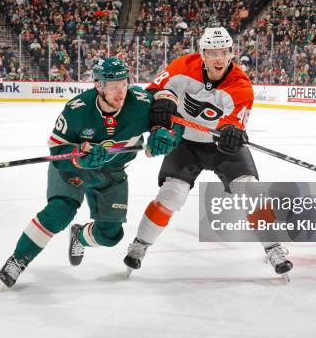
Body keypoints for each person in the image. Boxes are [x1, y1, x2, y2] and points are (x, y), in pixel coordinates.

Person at [123, 27, 294, 278]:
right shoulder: (183, 65)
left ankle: (273, 247)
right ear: (202, 53)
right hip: (186, 143)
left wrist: (231, 131)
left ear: (231, 53)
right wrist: (164, 100)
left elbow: (234, 120)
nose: (219, 58)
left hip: (220, 146)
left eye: (223, 52)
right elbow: (153, 91)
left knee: (250, 189)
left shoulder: (240, 84)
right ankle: (139, 246)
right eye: (212, 52)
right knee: (171, 195)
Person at [0, 57, 177, 291]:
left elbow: (169, 106)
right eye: (113, 86)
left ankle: (79, 237)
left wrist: (164, 132)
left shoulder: (140, 103)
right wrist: (78, 154)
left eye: (123, 84)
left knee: (110, 235)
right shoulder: (77, 109)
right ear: (98, 85)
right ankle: (18, 259)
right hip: (75, 169)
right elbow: (56, 150)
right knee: (59, 212)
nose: (120, 92)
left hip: (112, 172)